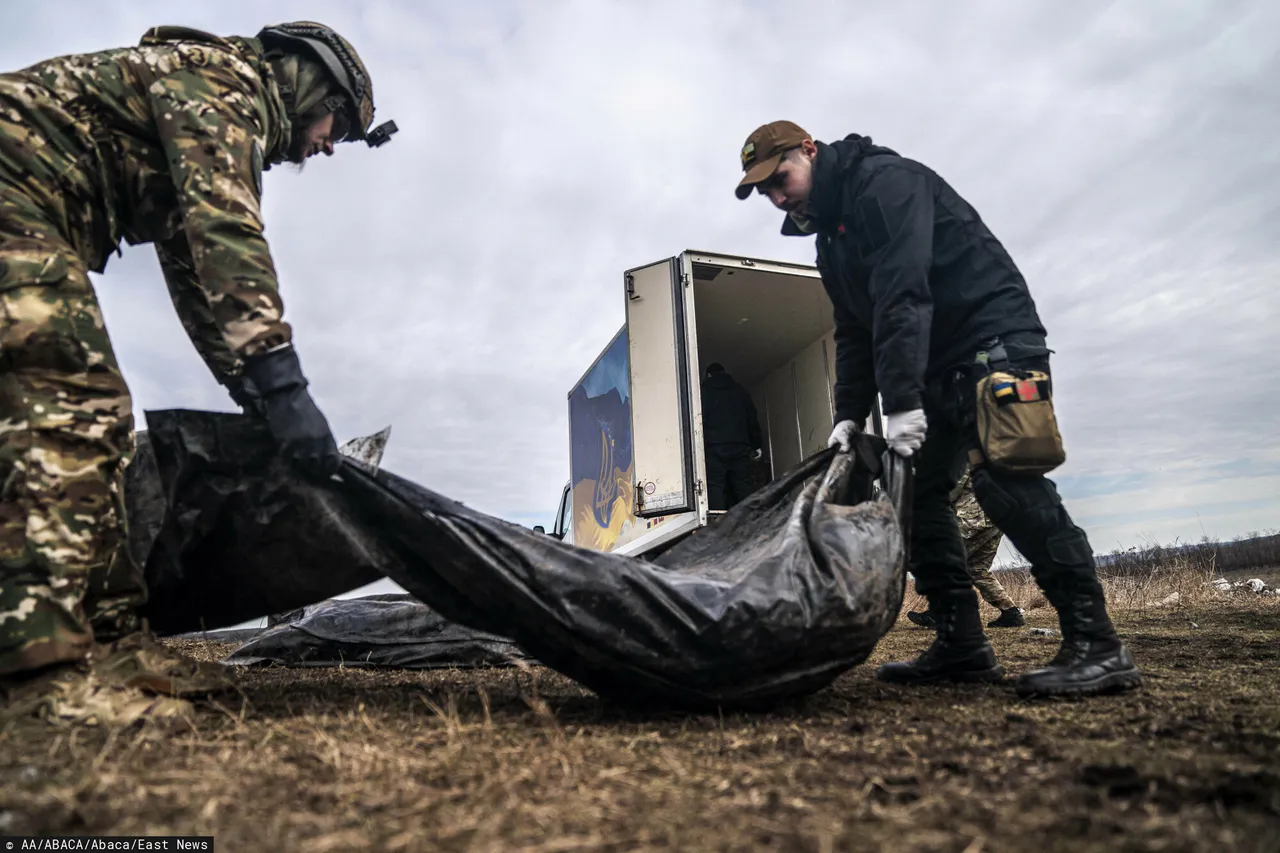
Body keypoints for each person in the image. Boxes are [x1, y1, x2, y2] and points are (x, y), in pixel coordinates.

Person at [0, 22, 397, 699]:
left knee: (99, 426)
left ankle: (117, 646)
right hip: (15, 191)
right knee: (74, 406)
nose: (331, 144)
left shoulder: (204, 110)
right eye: (338, 123)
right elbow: (226, 230)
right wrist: (282, 382)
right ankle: (44, 677)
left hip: (28, 203)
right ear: (308, 81)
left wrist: (255, 395)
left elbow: (198, 276)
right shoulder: (222, 83)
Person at [733, 121, 1140, 698]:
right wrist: (848, 416)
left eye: (781, 179)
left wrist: (899, 402)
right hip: (930, 361)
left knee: (1006, 481)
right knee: (915, 498)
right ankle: (961, 643)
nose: (777, 196)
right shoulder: (832, 239)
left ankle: (1097, 645)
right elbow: (854, 329)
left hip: (992, 340)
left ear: (810, 151)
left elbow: (905, 292)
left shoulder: (886, 184)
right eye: (765, 192)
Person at [907, 465, 1026, 629]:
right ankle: (1011, 613)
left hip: (974, 518)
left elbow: (950, 490)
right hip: (996, 519)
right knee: (977, 568)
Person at [700, 363, 764, 510]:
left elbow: (699, 419)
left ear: (709, 375)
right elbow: (751, 418)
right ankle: (750, 517)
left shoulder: (704, 391)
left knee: (715, 486)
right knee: (743, 485)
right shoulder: (740, 391)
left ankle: (717, 521)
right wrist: (756, 444)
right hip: (739, 446)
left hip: (715, 447)